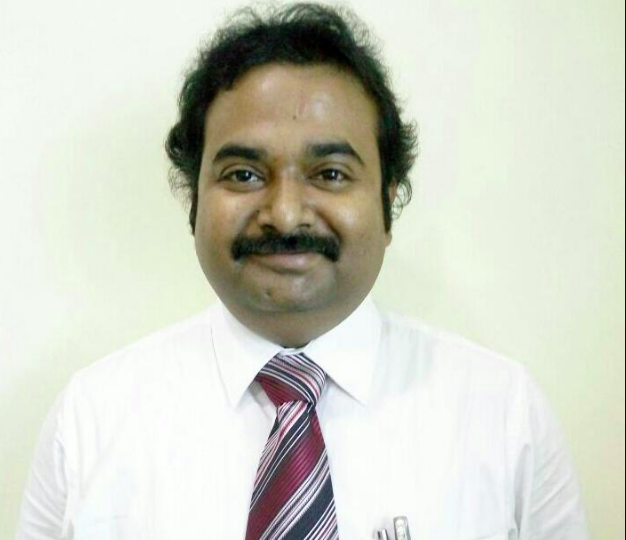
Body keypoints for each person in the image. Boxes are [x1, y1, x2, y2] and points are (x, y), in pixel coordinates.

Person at [15, 3, 589, 539]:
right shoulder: (90, 422)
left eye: (330, 174)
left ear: (389, 202)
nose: (285, 213)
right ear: (194, 201)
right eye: (243, 175)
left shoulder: (504, 416)